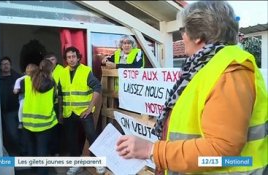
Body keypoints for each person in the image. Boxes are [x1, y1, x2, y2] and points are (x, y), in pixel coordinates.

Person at [116, 1, 267, 175]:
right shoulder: (204, 68)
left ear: (198, 36)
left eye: (183, 30)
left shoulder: (229, 72)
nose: (182, 37)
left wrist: (152, 150)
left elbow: (222, 151)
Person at [58, 46, 105, 175]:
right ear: (66, 59)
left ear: (78, 57)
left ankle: (98, 163)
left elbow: (97, 88)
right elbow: (61, 95)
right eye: (69, 57)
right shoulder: (62, 73)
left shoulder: (85, 71)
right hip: (69, 112)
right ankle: (76, 165)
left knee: (91, 136)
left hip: (84, 111)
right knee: (71, 140)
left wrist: (90, 108)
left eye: (73, 56)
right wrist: (61, 113)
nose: (71, 59)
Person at [21, 59, 58, 175]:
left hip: (28, 121)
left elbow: (19, 93)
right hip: (45, 123)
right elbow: (54, 99)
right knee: (43, 149)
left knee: (31, 147)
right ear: (51, 69)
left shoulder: (26, 80)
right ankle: (42, 172)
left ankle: (33, 169)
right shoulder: (52, 82)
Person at [0, 56, 22, 155]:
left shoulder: (17, 78)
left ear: (10, 65)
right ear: (0, 67)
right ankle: (18, 151)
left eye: (7, 64)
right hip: (7, 111)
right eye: (3, 64)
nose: (5, 66)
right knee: (12, 134)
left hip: (20, 109)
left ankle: (23, 152)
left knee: (23, 132)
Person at [44, 52, 64, 156]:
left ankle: (57, 151)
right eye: (49, 60)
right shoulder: (45, 72)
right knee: (49, 129)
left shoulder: (61, 70)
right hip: (47, 104)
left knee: (57, 129)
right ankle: (51, 150)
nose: (51, 62)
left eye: (53, 59)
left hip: (58, 103)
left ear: (56, 60)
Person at [13, 63, 38, 129]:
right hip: (23, 95)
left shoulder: (37, 78)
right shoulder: (21, 79)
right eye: (29, 72)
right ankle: (20, 121)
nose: (30, 74)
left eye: (32, 72)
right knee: (22, 106)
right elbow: (15, 90)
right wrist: (17, 90)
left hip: (33, 95)